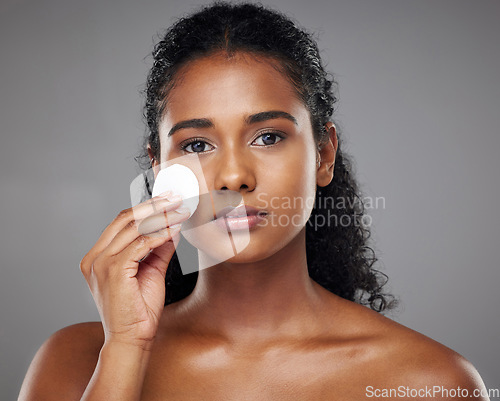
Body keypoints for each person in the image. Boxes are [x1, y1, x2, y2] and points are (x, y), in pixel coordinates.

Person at [19, 3, 489, 400]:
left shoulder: (430, 380)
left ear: (324, 154)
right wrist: (124, 349)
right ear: (159, 172)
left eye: (268, 136)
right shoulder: (73, 363)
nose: (234, 177)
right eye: (197, 145)